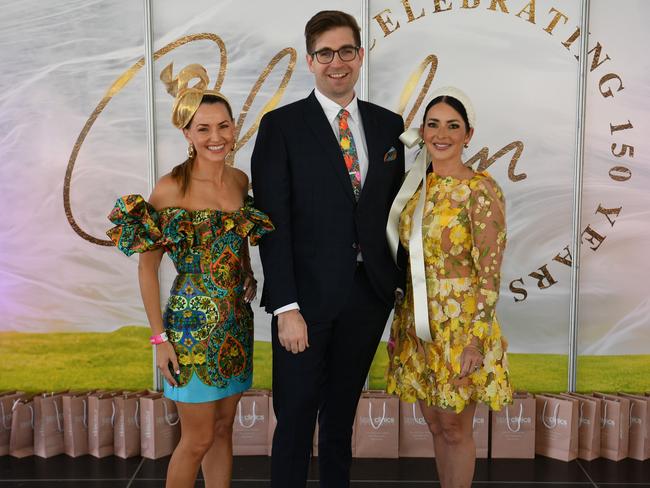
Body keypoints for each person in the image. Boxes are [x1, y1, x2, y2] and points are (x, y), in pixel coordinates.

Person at [251, 10, 405, 488]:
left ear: (359, 56)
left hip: (367, 295)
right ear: (309, 60)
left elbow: (395, 214)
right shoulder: (280, 126)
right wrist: (286, 307)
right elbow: (272, 225)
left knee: (340, 419)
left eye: (345, 51)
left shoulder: (389, 127)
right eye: (325, 54)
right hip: (306, 300)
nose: (336, 62)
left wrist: (395, 289)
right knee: (295, 419)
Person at [107, 63, 273, 488]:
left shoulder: (239, 181)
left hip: (236, 323)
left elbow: (236, 243)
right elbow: (148, 270)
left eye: (223, 126)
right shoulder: (170, 188)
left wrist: (248, 274)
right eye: (203, 129)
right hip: (190, 328)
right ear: (187, 134)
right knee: (196, 439)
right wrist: (159, 339)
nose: (215, 137)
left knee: (222, 431)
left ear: (235, 127)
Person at [386, 87, 512, 488]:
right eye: (433, 124)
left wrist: (476, 339)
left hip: (460, 327)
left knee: (456, 428)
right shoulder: (413, 190)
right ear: (422, 131)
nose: (442, 134)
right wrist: (398, 322)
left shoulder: (480, 190)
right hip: (418, 325)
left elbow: (490, 273)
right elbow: (404, 263)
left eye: (452, 126)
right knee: (437, 425)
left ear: (468, 134)